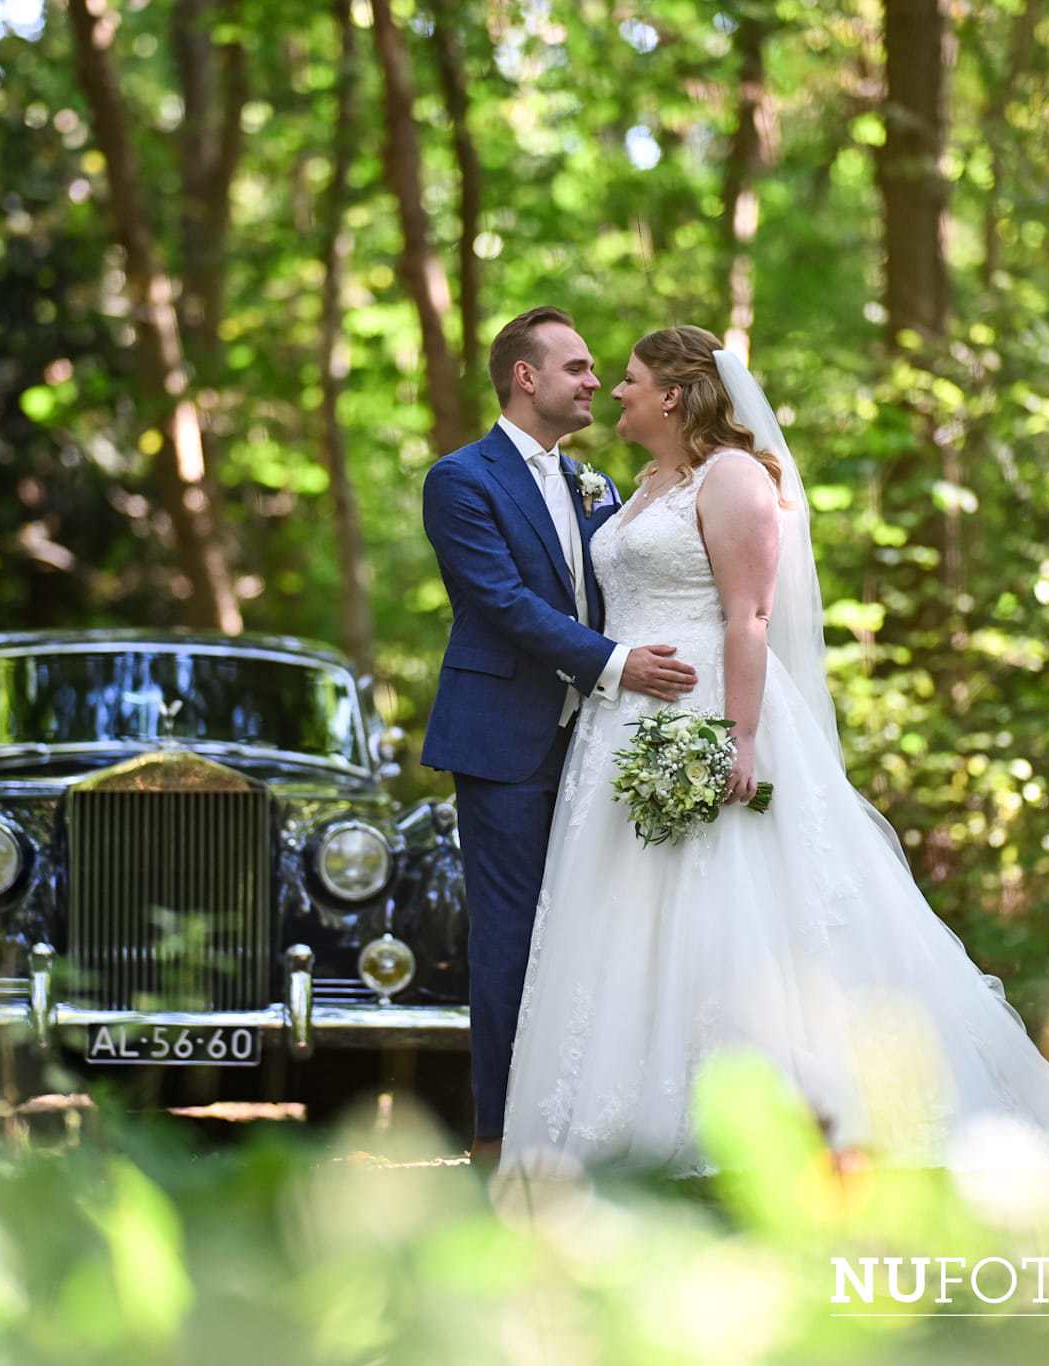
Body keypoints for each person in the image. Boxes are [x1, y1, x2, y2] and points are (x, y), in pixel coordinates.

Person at [495, 324, 1049, 1182]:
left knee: (728, 907)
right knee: (627, 919)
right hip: (623, 725)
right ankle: (622, 1129)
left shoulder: (733, 480)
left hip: (711, 710)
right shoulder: (641, 486)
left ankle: (768, 1121)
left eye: (633, 379)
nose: (616, 391)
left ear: (676, 394)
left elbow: (748, 618)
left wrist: (739, 738)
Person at [420, 306, 701, 1173]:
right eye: (578, 368)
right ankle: (499, 1138)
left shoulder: (600, 485)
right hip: (504, 741)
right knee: (511, 939)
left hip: (599, 744)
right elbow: (502, 604)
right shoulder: (460, 480)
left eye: (599, 372)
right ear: (525, 378)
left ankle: (585, 1123)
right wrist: (618, 665)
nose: (597, 383)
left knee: (593, 932)